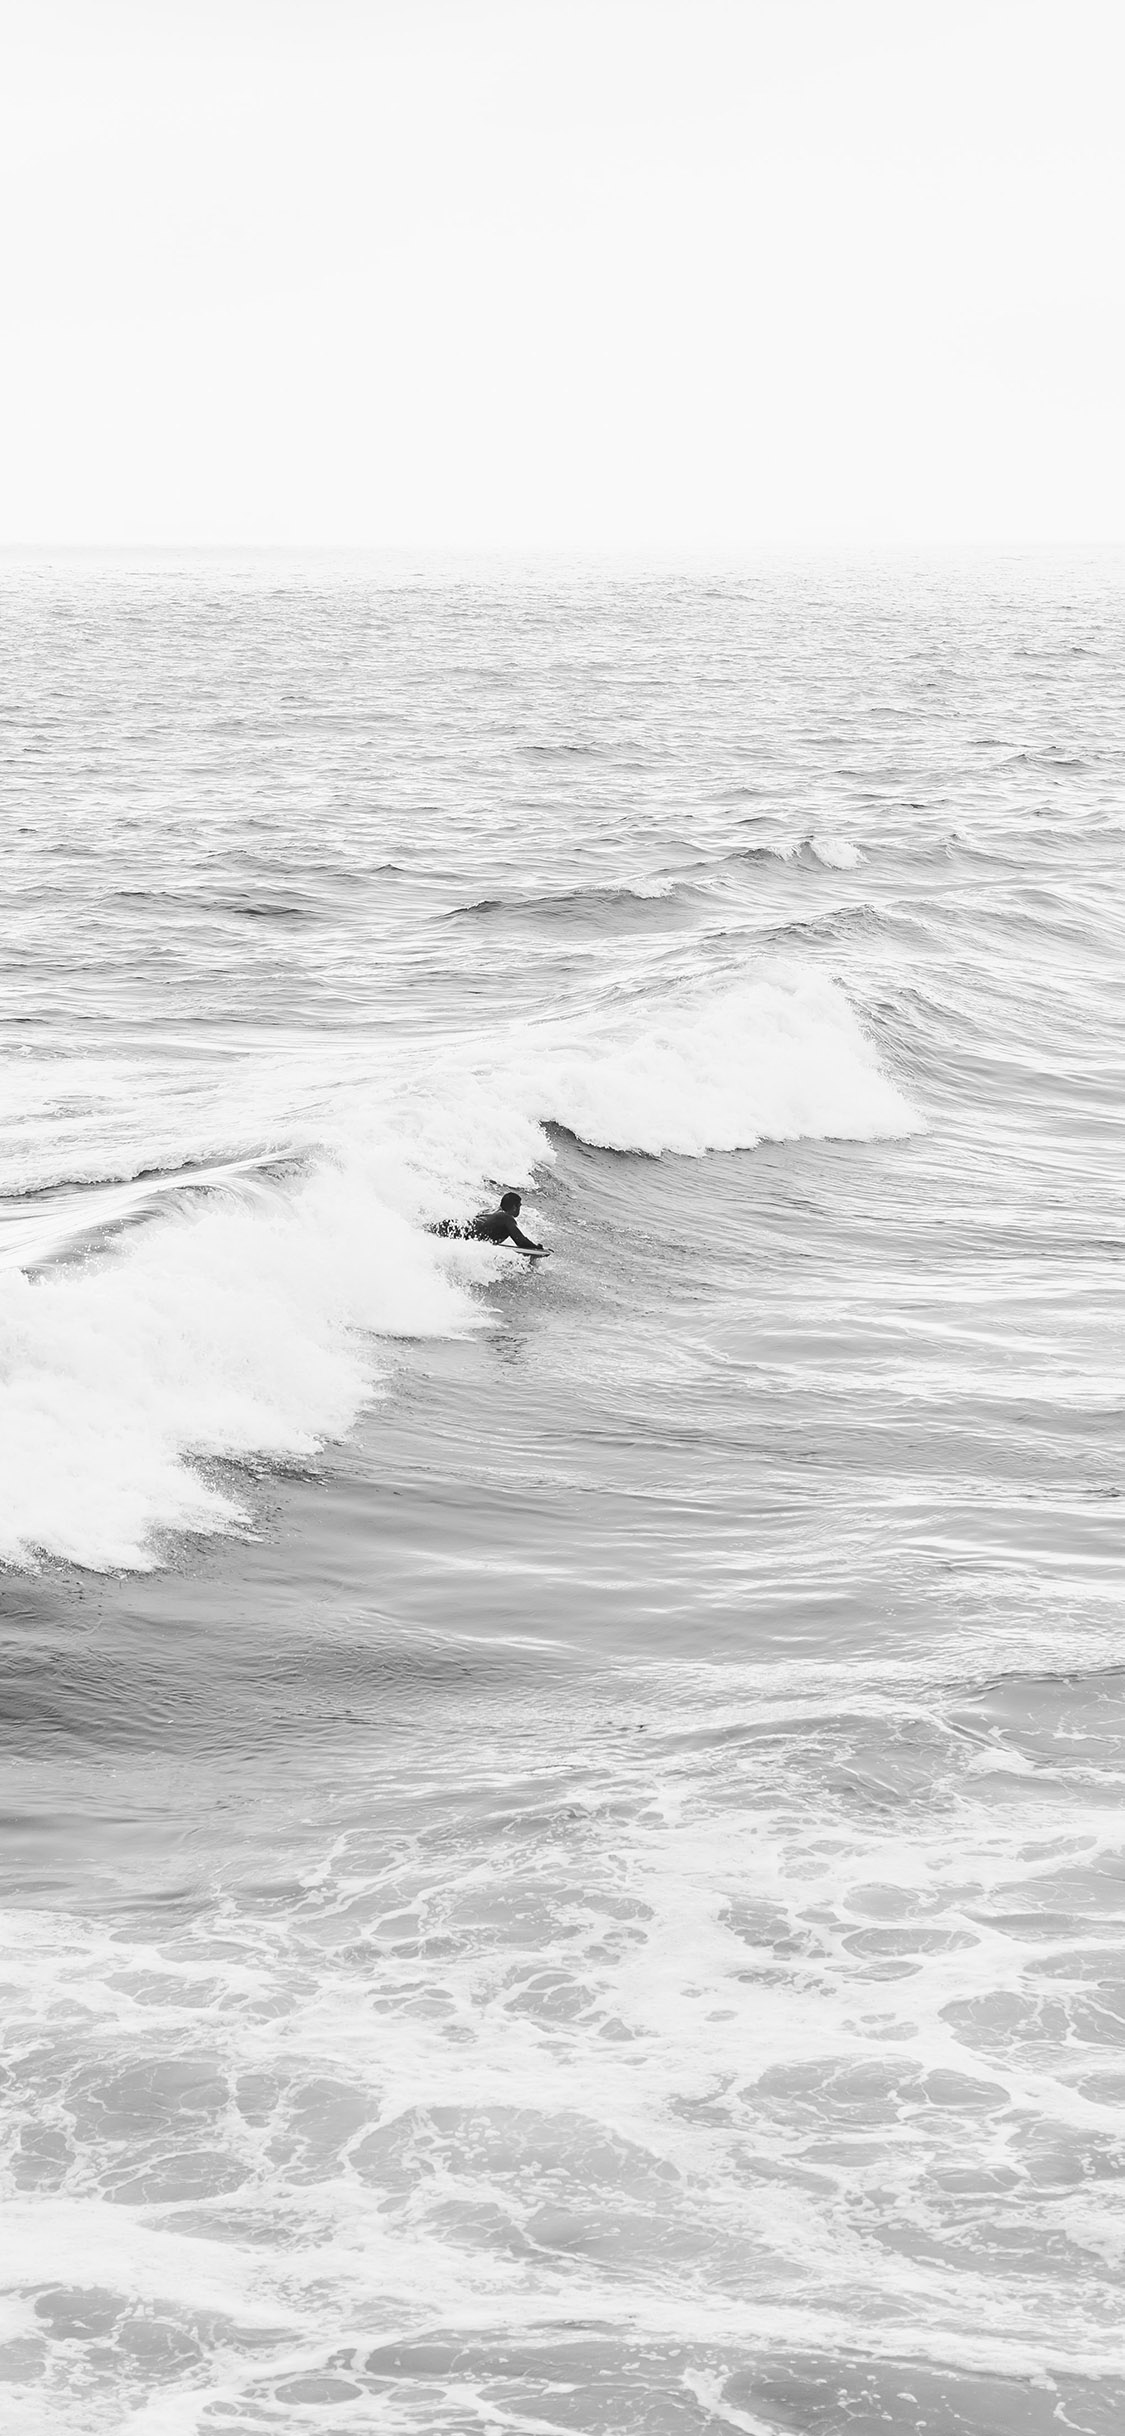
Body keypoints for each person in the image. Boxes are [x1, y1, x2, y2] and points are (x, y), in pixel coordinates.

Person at [432, 1191, 547, 1251]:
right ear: (514, 1207)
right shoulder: (507, 1218)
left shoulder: (491, 1211)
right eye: (519, 1206)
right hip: (460, 1231)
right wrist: (536, 1248)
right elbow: (520, 1241)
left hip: (454, 1226)